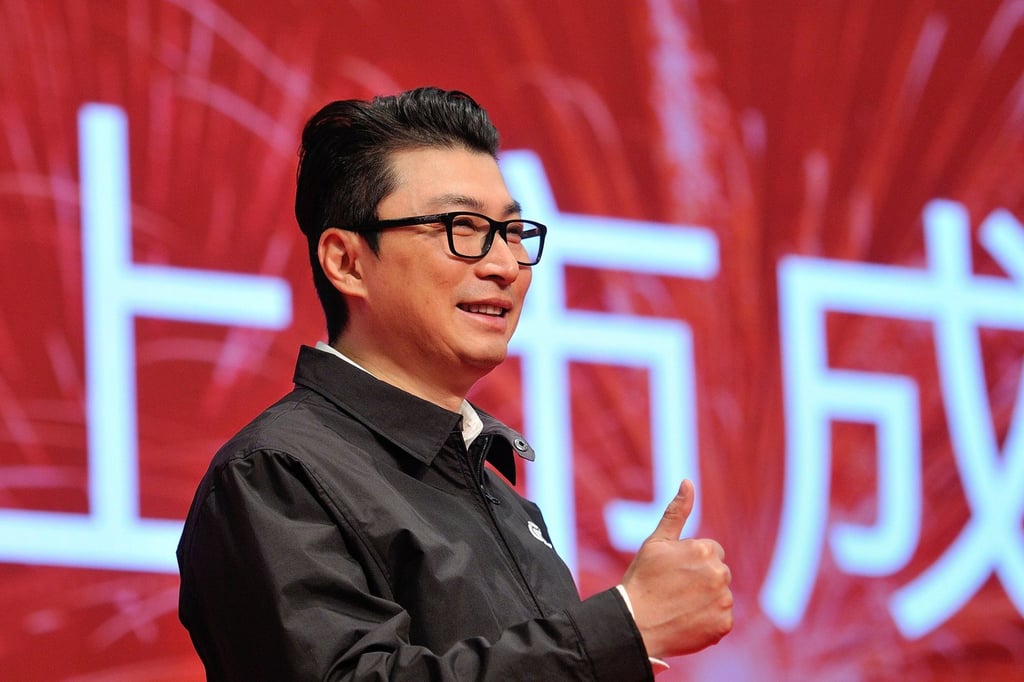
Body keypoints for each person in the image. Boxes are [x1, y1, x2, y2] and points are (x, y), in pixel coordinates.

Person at [176, 86, 732, 680]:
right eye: (460, 226)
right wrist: (622, 627)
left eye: (513, 232)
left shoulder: (505, 501)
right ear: (346, 261)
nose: (503, 264)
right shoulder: (276, 472)